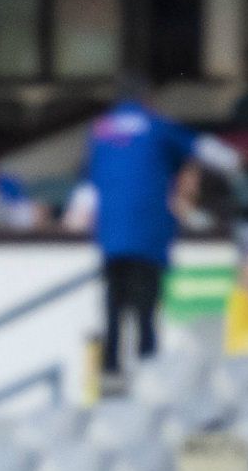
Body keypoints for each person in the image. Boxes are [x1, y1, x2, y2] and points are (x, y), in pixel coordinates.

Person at [75, 87, 204, 381]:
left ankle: (110, 365)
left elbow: (89, 178)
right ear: (148, 100)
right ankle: (149, 367)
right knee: (146, 307)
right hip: (147, 235)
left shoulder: (101, 129)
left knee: (114, 302)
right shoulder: (157, 126)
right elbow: (200, 148)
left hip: (112, 237)